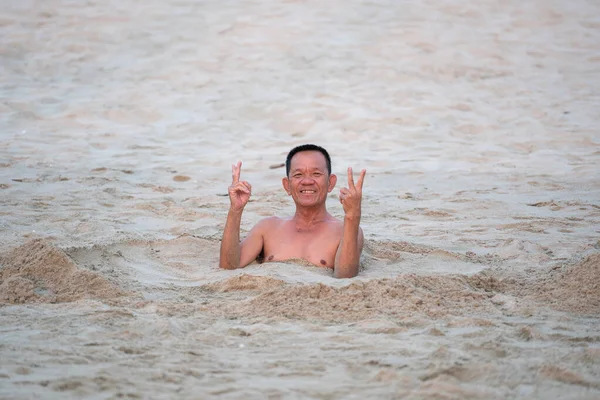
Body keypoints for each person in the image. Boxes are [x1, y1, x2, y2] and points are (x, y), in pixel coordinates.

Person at [219, 144, 366, 278]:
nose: (307, 181)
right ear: (287, 185)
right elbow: (229, 266)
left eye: (316, 174)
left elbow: (345, 277)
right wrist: (235, 210)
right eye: (298, 175)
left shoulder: (346, 230)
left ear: (330, 183)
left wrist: (352, 215)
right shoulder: (267, 228)